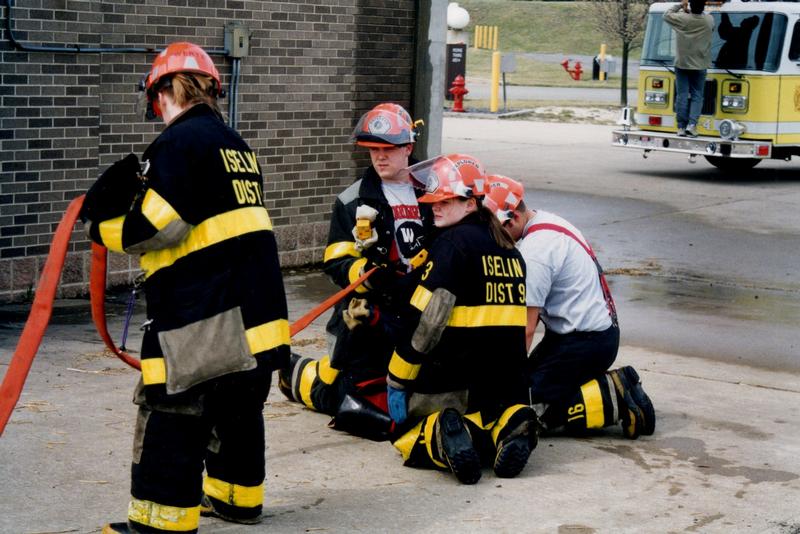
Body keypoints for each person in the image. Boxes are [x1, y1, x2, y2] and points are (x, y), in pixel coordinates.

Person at [80, 42, 290, 533]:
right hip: (257, 316)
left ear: (164, 92)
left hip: (204, 318)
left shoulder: (178, 143)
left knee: (170, 409)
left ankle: (159, 522)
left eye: (155, 99)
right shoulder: (234, 143)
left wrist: (98, 229)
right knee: (237, 408)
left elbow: (155, 227)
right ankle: (238, 499)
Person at [279, 103, 435, 441]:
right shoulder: (351, 201)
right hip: (366, 316)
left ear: (408, 147)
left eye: (388, 150)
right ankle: (297, 373)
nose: (379, 158)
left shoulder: (433, 194)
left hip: (414, 311)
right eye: (373, 150)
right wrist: (365, 271)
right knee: (345, 399)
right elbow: (335, 260)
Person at [385, 154, 539, 485]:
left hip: (455, 382)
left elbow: (425, 323)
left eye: (445, 200)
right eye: (432, 201)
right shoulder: (510, 250)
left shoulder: (452, 245)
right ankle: (512, 422)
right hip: (506, 387)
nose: (434, 208)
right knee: (489, 424)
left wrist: (397, 378)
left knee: (406, 438)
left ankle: (442, 431)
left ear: (470, 203)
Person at [484, 175, 655, 440]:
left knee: (523, 406)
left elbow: (527, 328)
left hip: (586, 342)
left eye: (496, 232)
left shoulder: (535, 252)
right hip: (582, 334)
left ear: (513, 219)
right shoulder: (545, 220)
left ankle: (617, 393)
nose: (495, 240)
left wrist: (510, 377)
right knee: (524, 387)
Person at [664, 0, 714, 138]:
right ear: (703, 6)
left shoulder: (682, 19)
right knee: (697, 96)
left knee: (682, 96)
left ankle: (680, 127)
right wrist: (690, 12)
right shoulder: (709, 20)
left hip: (682, 64)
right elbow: (699, 17)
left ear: (690, 6)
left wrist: (681, 5)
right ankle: (692, 126)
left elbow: (667, 15)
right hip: (700, 65)